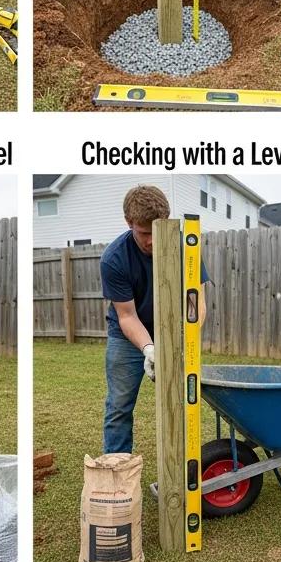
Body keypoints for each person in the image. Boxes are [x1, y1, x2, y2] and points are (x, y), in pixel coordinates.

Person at [101, 185, 208, 454]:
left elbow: (196, 305)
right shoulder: (114, 259)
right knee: (119, 406)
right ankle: (118, 470)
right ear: (129, 223)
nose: (151, 241)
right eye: (144, 233)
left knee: (180, 401)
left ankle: (181, 467)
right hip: (127, 337)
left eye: (157, 231)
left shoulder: (186, 248)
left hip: (174, 331)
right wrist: (149, 349)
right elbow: (127, 316)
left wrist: (182, 341)